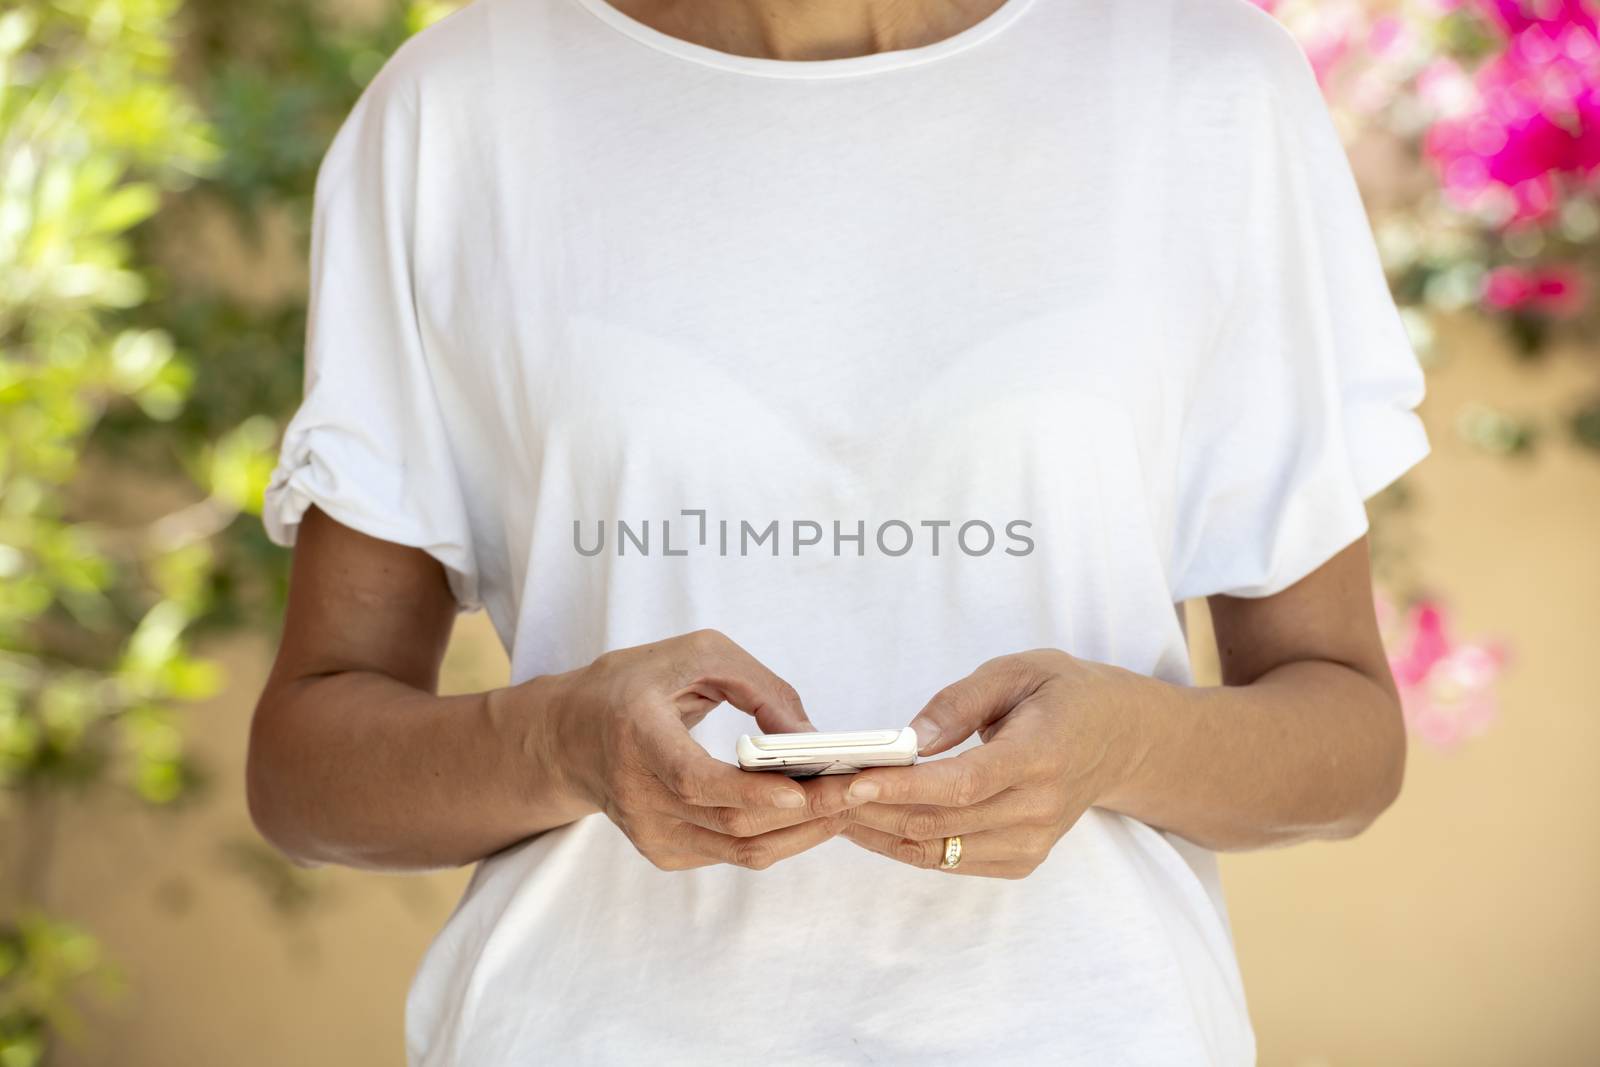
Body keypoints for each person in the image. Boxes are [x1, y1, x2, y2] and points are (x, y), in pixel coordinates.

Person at [246, 0, 1432, 1062]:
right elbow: (307, 773)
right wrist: (557, 742)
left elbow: (1346, 735)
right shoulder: (457, 109)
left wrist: (1124, 748)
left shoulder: (1209, 88)